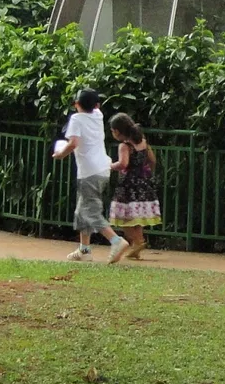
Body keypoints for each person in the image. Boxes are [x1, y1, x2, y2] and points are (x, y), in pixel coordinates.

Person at [51, 88, 128, 262]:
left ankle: (116, 240)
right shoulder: (98, 115)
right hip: (103, 168)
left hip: (89, 172)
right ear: (97, 105)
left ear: (76, 104)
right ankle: (84, 250)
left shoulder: (76, 119)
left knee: (90, 211)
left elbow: (74, 143)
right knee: (81, 210)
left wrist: (61, 154)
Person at [107, 113, 162, 262]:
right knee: (137, 216)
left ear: (117, 131)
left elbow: (123, 163)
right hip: (143, 182)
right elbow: (152, 160)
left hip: (127, 184)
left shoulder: (124, 146)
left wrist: (110, 166)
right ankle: (137, 245)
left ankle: (137, 242)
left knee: (123, 217)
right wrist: (146, 172)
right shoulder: (142, 142)